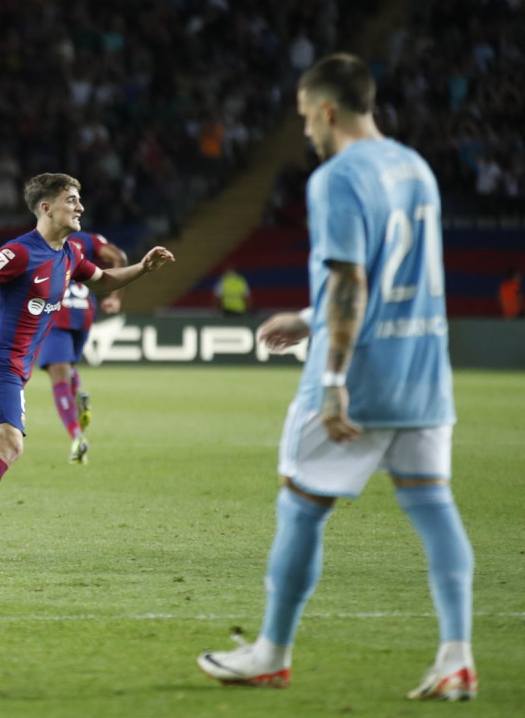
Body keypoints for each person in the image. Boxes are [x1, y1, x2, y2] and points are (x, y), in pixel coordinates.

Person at [197, 54, 475, 701]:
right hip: (425, 371)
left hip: (362, 371)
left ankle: (271, 651)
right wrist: (308, 315)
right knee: (433, 504)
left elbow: (352, 278)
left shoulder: (336, 176)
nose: (305, 132)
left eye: (304, 118)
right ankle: (457, 656)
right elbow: (384, 276)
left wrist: (332, 376)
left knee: (300, 504)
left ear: (325, 109)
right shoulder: (416, 167)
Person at [0, 173, 175, 560]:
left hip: (8, 370)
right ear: (46, 207)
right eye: (71, 199)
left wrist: (143, 269)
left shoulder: (69, 255)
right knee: (10, 444)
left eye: (80, 200)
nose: (80, 207)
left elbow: (104, 280)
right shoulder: (20, 252)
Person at [37, 230, 127, 464]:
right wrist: (115, 297)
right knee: (66, 366)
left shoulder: (39, 238)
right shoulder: (89, 239)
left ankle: (77, 436)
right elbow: (120, 257)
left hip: (56, 309)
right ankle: (77, 392)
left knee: (58, 376)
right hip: (85, 310)